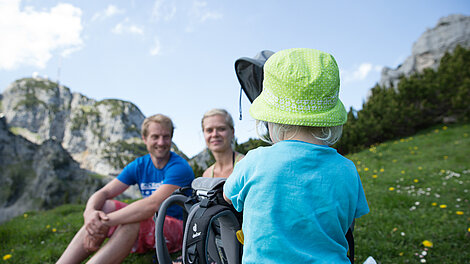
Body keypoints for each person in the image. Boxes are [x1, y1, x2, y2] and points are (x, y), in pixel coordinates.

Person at [223, 48, 370, 263]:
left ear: (271, 119)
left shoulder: (253, 161)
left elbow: (228, 197)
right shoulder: (347, 168)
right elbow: (346, 223)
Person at [57, 114, 194, 264]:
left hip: (181, 230)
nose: (161, 142)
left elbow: (152, 205)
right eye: (155, 137)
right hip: (154, 225)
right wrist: (89, 215)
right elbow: (104, 192)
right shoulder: (140, 164)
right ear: (145, 138)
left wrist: (104, 223)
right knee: (105, 205)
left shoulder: (179, 167)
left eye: (166, 137)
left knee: (134, 220)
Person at [201, 108, 244, 178]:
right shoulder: (207, 175)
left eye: (221, 129)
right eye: (209, 130)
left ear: (232, 132)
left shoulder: (245, 165)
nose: (214, 134)